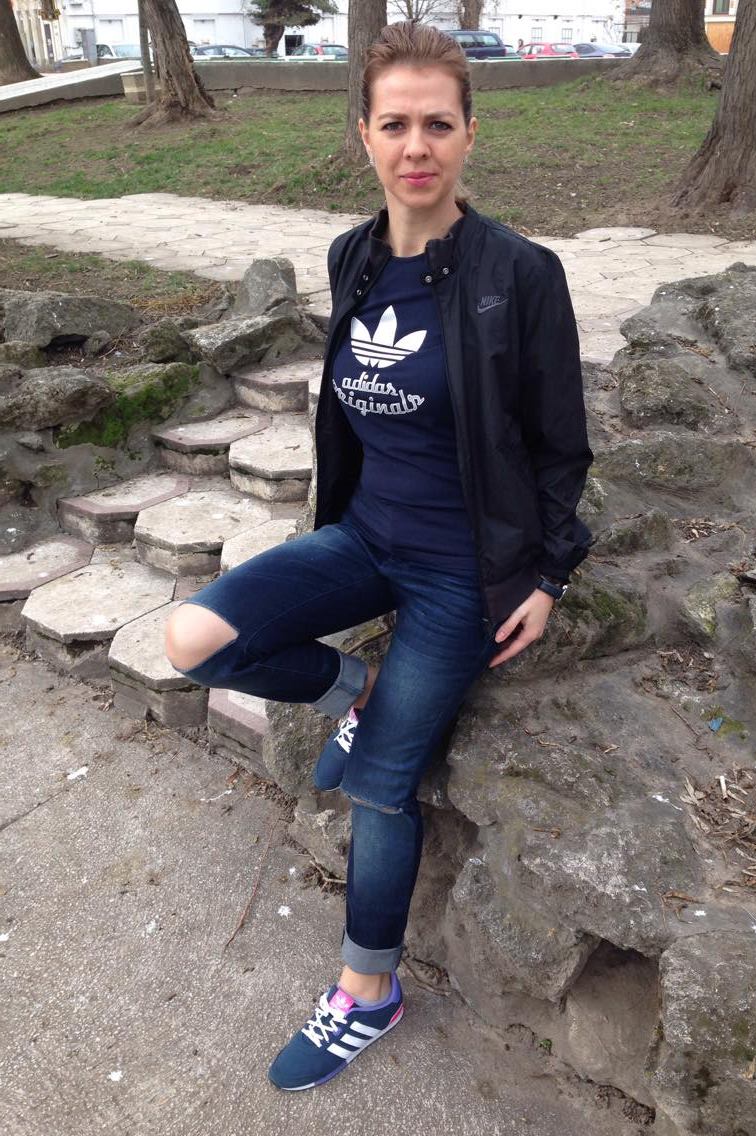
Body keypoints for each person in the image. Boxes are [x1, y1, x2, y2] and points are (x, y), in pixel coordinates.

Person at [163, 20, 593, 1093]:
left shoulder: (519, 274)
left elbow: (560, 444)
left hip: (461, 573)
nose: (416, 146)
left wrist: (548, 576)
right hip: (364, 537)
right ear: (363, 134)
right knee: (191, 638)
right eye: (394, 124)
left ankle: (368, 989)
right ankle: (357, 688)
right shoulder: (352, 256)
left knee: (380, 787)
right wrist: (350, 645)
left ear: (469, 134)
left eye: (437, 124)